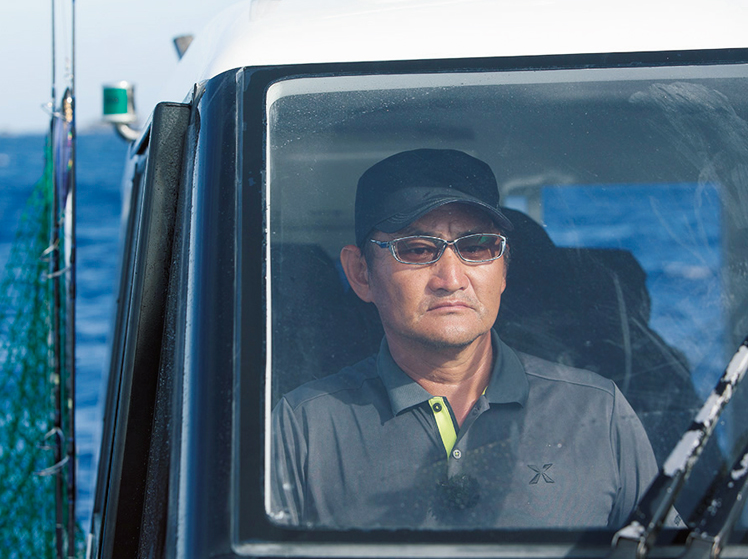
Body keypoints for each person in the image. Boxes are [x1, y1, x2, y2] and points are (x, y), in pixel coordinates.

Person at [269, 148, 659, 530]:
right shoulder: (306, 427)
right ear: (360, 273)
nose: (452, 279)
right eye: (417, 250)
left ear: (503, 268)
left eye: (476, 247)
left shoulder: (598, 413)